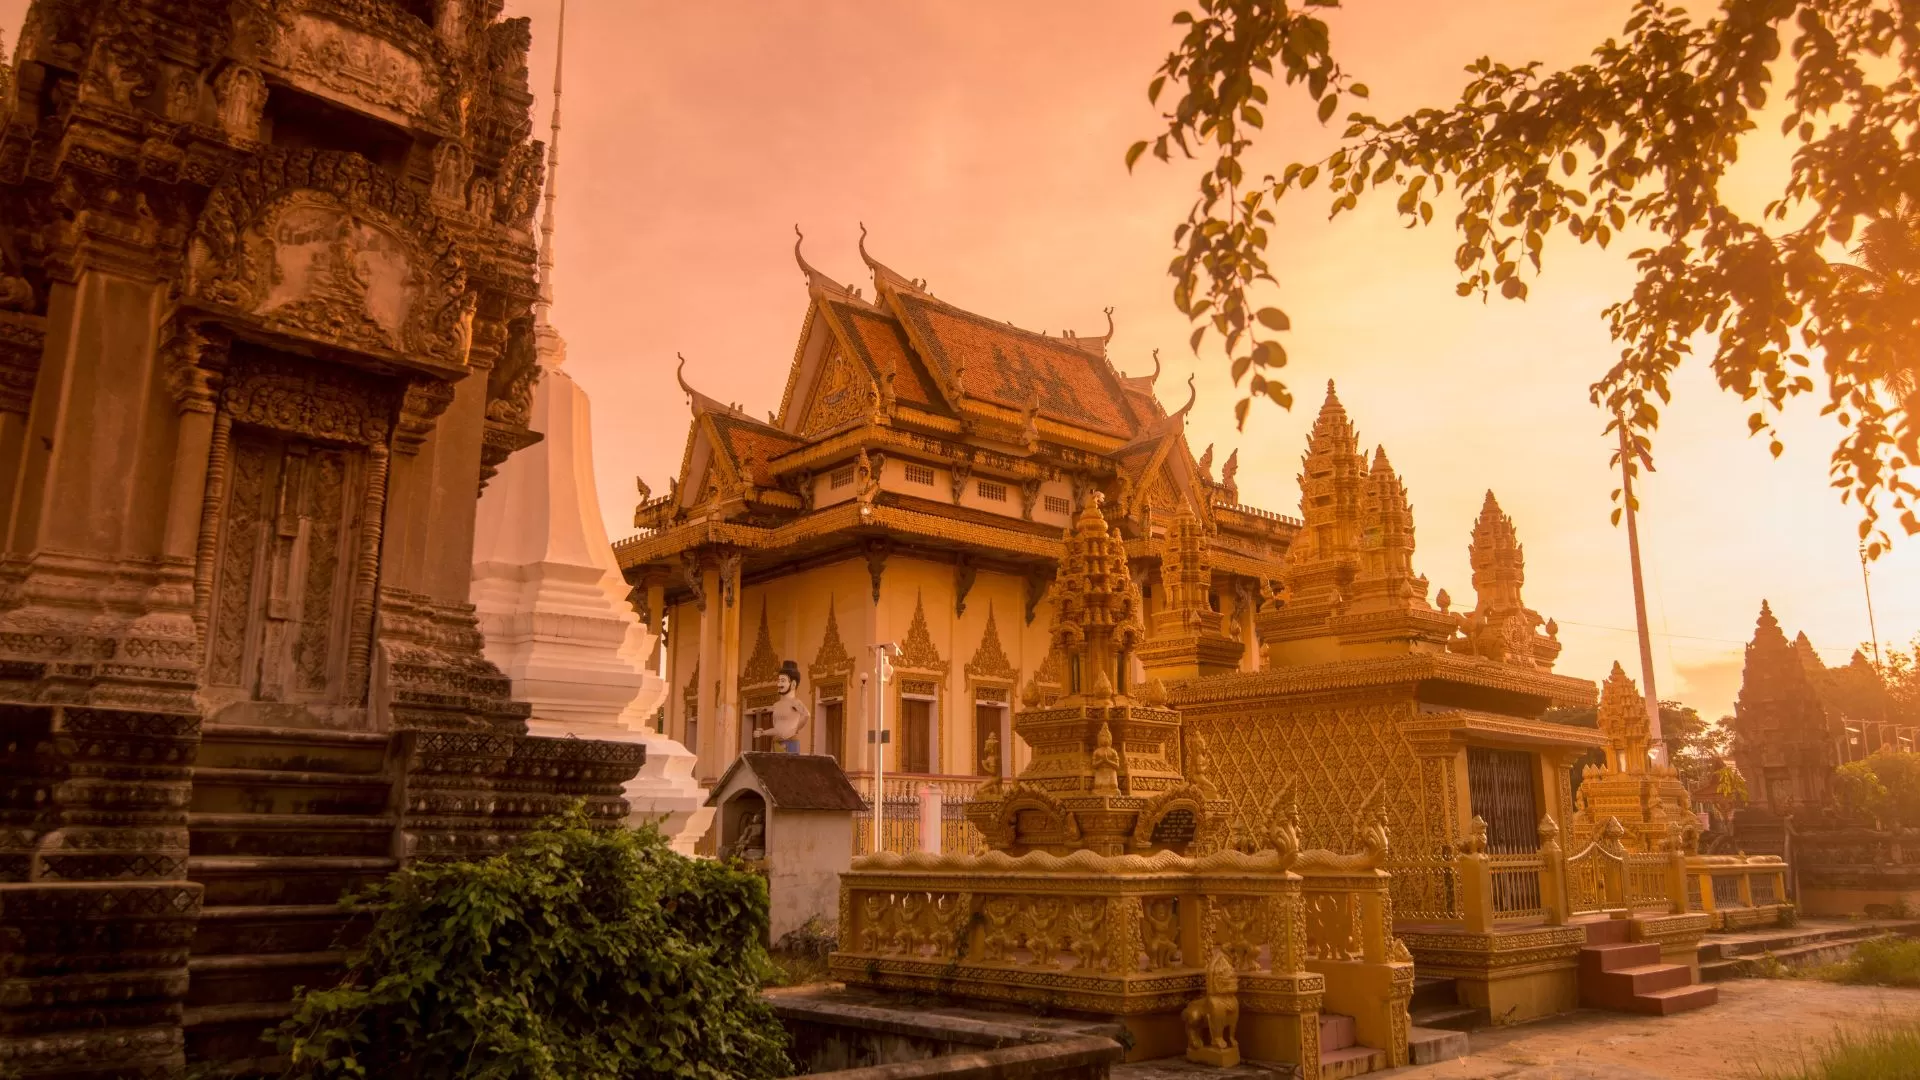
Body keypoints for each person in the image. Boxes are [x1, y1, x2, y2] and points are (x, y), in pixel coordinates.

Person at [757, 660, 811, 753]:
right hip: (776, 743)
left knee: (789, 763)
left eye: (783, 681)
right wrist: (764, 733)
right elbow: (778, 729)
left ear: (793, 684)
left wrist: (795, 729)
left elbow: (806, 715)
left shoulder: (795, 702)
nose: (779, 684)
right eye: (778, 681)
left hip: (790, 742)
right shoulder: (776, 705)